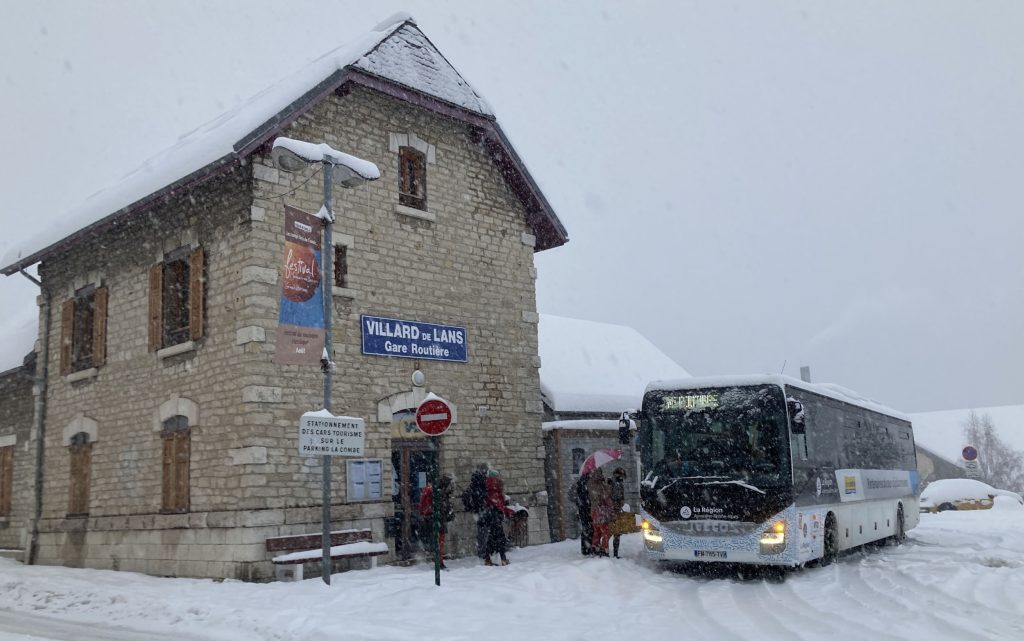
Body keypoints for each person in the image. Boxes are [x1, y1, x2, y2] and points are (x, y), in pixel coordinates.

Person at [418, 474, 455, 569]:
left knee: (438, 541)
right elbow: (441, 505)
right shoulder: (434, 491)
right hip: (436, 518)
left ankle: (439, 560)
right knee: (439, 541)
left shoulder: (429, 489)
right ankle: (439, 561)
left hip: (433, 518)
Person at [481, 469, 514, 565]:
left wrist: (506, 510)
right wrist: (505, 511)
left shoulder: (491, 488)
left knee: (493, 538)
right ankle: (502, 559)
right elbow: (497, 504)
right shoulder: (494, 488)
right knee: (500, 538)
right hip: (495, 516)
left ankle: (488, 558)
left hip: (492, 516)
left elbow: (497, 504)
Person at [462, 463, 490, 561]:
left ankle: (482, 550)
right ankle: (483, 551)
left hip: (478, 510)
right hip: (482, 509)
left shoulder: (475, 480)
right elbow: (483, 495)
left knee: (481, 531)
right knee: (484, 531)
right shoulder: (482, 481)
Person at [587, 468, 614, 557]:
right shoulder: (598, 485)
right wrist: (607, 485)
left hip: (594, 511)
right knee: (605, 531)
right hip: (600, 511)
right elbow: (605, 496)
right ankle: (604, 549)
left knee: (597, 531)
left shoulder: (590, 483)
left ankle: (595, 547)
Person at [570, 475, 593, 556]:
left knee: (585, 529)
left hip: (581, 509)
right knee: (590, 529)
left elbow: (572, 497)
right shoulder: (588, 483)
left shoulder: (578, 484)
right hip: (587, 509)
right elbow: (590, 497)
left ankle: (585, 549)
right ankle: (589, 547)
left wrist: (578, 503)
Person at [608, 468, 628, 558]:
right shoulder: (616, 483)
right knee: (616, 532)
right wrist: (619, 504)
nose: (623, 477)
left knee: (610, 532)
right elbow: (616, 497)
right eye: (623, 475)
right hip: (614, 510)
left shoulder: (612, 481)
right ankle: (614, 554)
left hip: (611, 510)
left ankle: (603, 550)